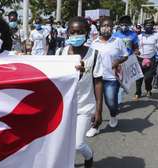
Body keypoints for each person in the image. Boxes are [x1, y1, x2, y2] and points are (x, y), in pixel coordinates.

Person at [56, 16, 103, 168]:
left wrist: (99, 110)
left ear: (87, 33)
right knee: (61, 143)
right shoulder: (59, 53)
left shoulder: (94, 55)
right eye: (73, 32)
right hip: (63, 107)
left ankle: (88, 157)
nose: (76, 36)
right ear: (67, 33)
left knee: (77, 144)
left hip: (84, 106)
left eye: (80, 32)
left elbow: (98, 82)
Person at [91, 16, 128, 129]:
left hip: (111, 78)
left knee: (111, 102)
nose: (106, 28)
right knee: (96, 103)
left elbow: (125, 55)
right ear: (99, 27)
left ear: (113, 28)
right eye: (104, 26)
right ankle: (95, 125)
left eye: (109, 26)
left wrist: (118, 61)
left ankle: (113, 115)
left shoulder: (118, 41)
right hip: (96, 77)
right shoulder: (93, 42)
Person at [112, 15, 139, 105]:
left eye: (126, 24)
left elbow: (135, 47)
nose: (124, 26)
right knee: (116, 82)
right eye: (122, 24)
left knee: (124, 83)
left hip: (128, 61)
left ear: (129, 25)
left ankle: (118, 102)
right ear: (119, 25)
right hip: (117, 62)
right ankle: (114, 99)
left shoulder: (133, 35)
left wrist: (136, 51)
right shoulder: (115, 35)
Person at [134, 18, 158, 100]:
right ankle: (138, 92)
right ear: (144, 26)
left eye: (150, 25)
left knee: (148, 77)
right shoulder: (139, 36)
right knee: (139, 77)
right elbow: (135, 46)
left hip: (151, 58)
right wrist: (136, 50)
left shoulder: (156, 35)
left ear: (153, 26)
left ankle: (148, 89)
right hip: (140, 58)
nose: (148, 26)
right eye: (147, 25)